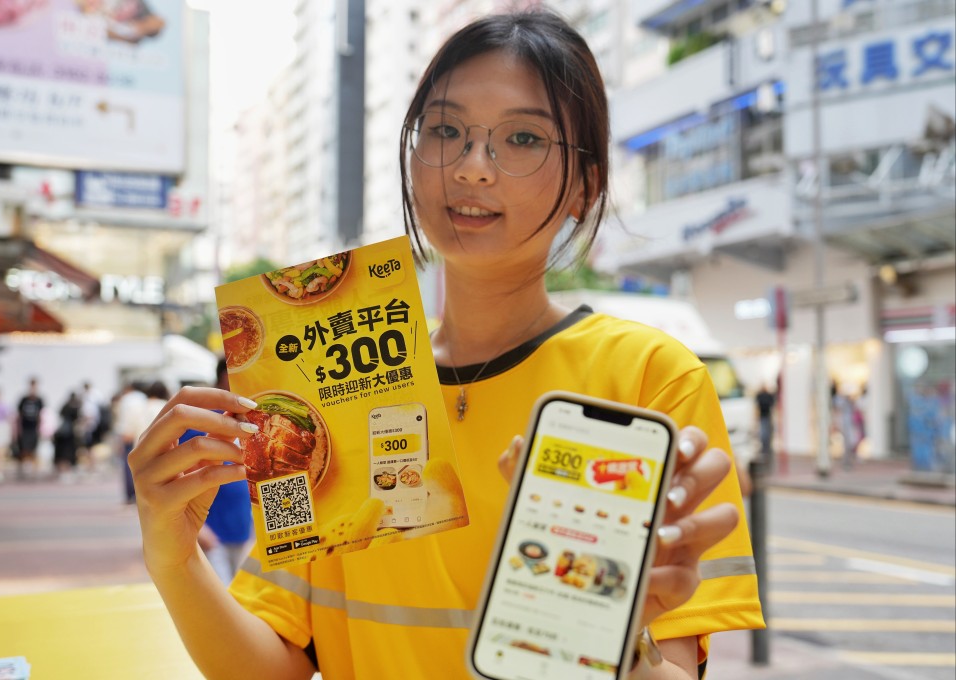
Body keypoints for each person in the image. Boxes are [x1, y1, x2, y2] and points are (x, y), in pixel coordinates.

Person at [129, 10, 762, 679]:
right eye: (446, 131)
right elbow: (270, 667)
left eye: (522, 138)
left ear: (586, 184)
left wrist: (614, 632)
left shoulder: (649, 380)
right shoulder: (324, 384)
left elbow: (676, 667)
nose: (472, 167)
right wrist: (171, 557)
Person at [180, 359, 254, 585]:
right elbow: (179, 474)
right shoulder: (201, 420)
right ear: (223, 378)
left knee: (240, 598)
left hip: (241, 529)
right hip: (211, 533)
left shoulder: (252, 421)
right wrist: (201, 532)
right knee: (223, 596)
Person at [116, 381, 148, 503]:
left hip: (129, 434)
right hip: (141, 434)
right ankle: (139, 492)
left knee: (128, 464)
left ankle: (130, 494)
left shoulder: (127, 399)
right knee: (140, 465)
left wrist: (125, 433)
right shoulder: (143, 398)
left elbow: (125, 418)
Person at [16, 378, 45, 479]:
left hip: (34, 428)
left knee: (33, 449)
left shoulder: (39, 400)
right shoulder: (24, 399)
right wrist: (17, 429)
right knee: (24, 448)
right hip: (25, 428)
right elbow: (19, 414)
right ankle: (24, 467)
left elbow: (42, 414)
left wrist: (41, 429)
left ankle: (33, 469)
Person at [53, 392, 83, 478]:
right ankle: (65, 469)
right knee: (66, 452)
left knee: (63, 452)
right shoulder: (74, 407)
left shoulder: (65, 406)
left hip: (64, 433)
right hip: (68, 434)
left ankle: (63, 469)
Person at [755, 383, 775, 462]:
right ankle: (765, 448)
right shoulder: (760, 396)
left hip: (767, 416)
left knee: (767, 433)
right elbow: (757, 407)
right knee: (764, 433)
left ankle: (767, 448)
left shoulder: (768, 395)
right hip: (763, 417)